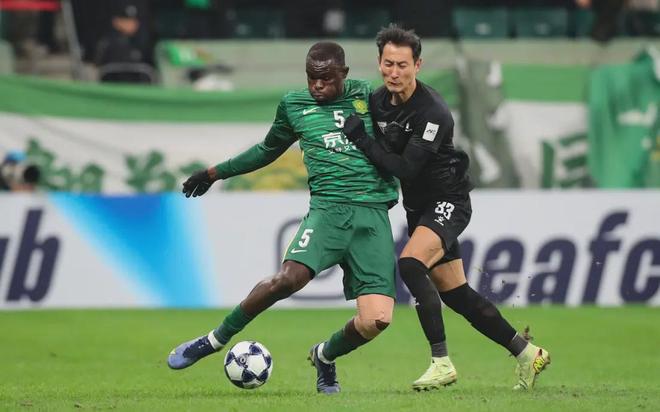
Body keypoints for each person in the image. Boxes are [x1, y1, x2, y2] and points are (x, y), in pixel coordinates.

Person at [167, 41, 400, 395]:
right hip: (329, 211)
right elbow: (266, 150)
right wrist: (214, 173)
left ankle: (324, 355)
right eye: (311, 78)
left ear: (344, 74)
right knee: (287, 280)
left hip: (373, 215)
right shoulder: (294, 105)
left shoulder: (368, 95)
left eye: (326, 79)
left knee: (376, 320)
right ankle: (214, 340)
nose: (317, 85)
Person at [343, 24, 551, 391]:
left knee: (410, 264)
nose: (394, 72)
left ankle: (441, 361)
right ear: (379, 63)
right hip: (418, 208)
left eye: (402, 65)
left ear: (418, 65)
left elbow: (406, 168)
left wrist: (361, 139)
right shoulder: (377, 102)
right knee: (457, 295)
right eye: (388, 64)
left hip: (448, 201)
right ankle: (527, 353)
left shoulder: (433, 111)